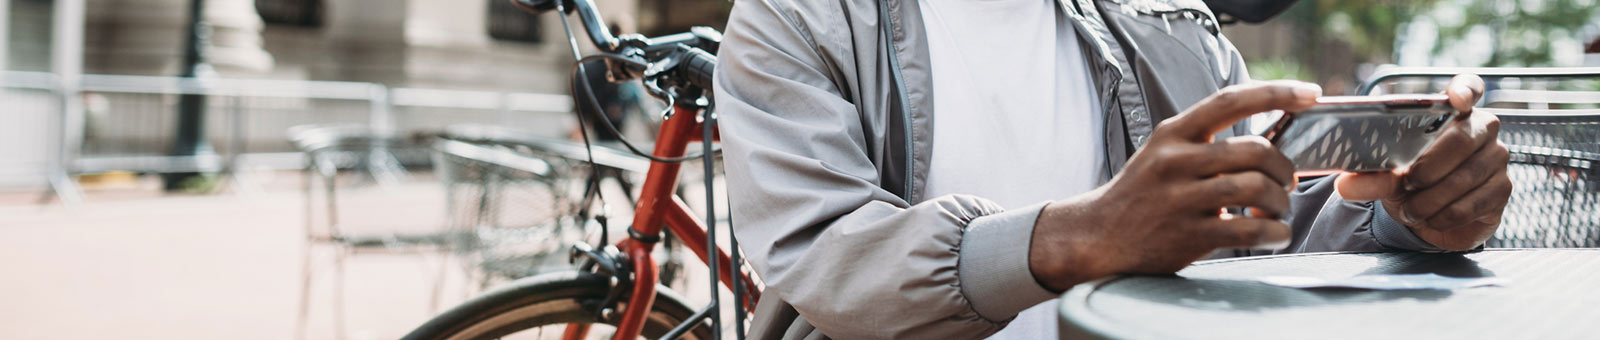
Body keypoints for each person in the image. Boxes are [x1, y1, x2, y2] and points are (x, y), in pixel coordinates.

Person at [711, 0, 1511, 339]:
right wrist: (1079, 238)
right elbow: (826, 257)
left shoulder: (1162, 15)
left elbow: (1249, 223)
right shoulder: (794, 18)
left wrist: (1402, 218)